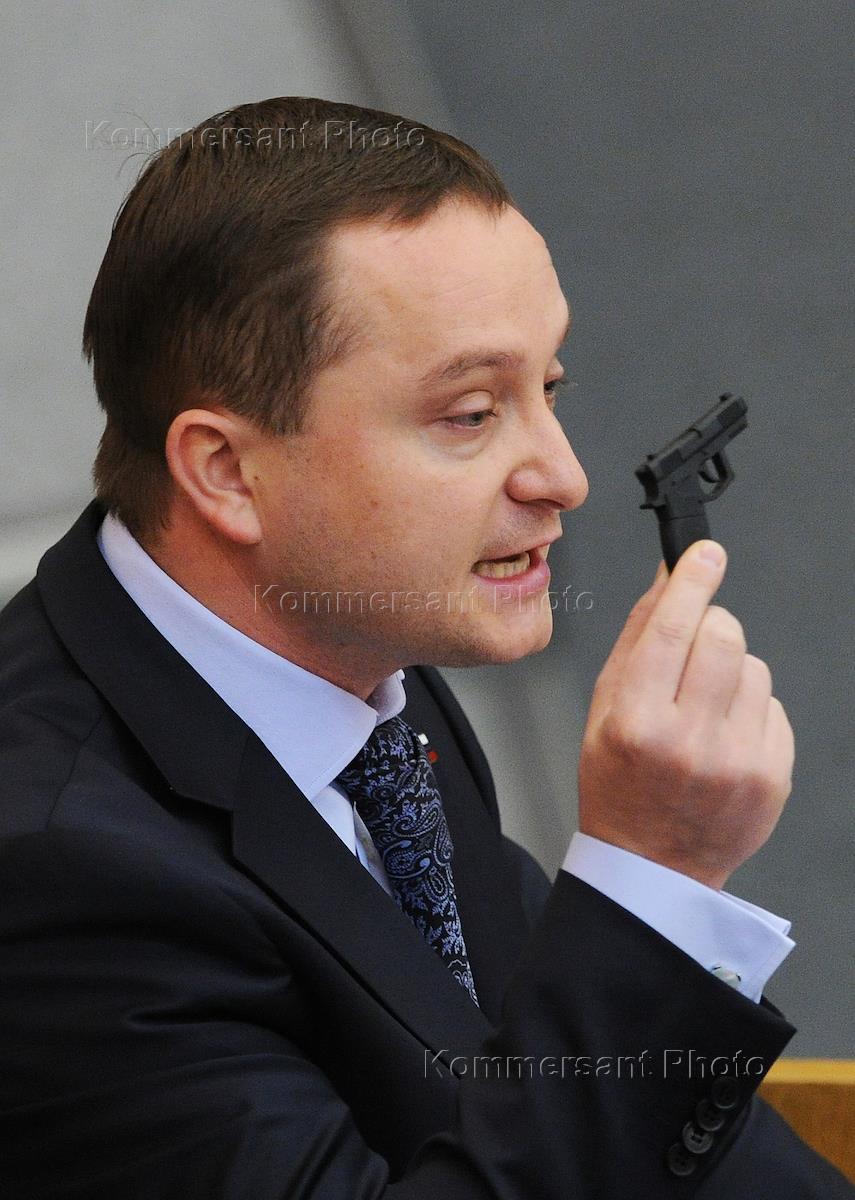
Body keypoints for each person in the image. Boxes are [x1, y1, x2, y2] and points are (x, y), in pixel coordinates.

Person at [0, 97, 849, 1199]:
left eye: (547, 388)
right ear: (225, 472)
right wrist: (653, 879)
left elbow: (513, 1081)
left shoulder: (358, 677)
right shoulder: (54, 872)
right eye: (469, 414)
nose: (565, 477)